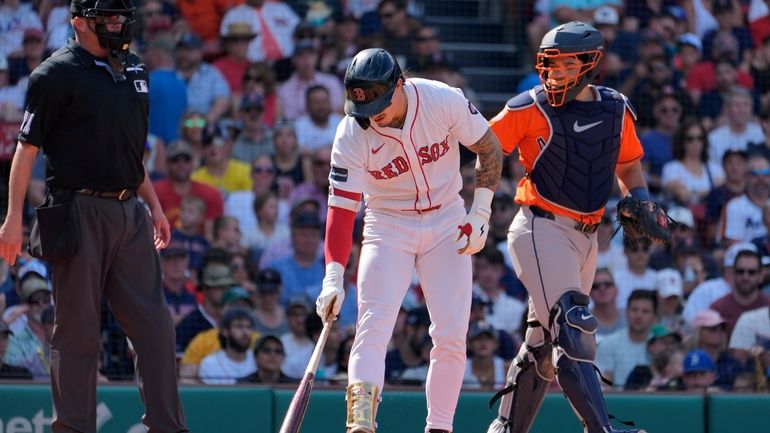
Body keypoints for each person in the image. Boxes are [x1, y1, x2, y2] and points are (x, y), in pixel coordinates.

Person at [0, 1, 188, 431]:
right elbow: (25, 151)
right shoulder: (54, 74)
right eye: (109, 19)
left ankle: (167, 426)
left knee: (156, 328)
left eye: (123, 18)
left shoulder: (135, 69)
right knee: (77, 334)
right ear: (80, 23)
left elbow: (131, 151)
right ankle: (72, 427)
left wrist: (155, 205)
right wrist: (13, 219)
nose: (119, 26)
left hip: (130, 210)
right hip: (76, 209)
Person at [314, 48, 503, 433]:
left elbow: (489, 147)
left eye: (380, 103)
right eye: (364, 106)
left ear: (399, 84)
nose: (372, 114)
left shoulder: (440, 98)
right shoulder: (352, 132)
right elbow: (341, 209)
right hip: (387, 225)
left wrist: (480, 211)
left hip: (446, 217)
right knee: (372, 326)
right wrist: (333, 275)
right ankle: (360, 425)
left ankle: (439, 427)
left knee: (450, 335)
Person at [484, 22, 654, 433]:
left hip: (586, 237)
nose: (554, 72)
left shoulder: (615, 108)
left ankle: (507, 428)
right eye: (549, 64)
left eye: (564, 63)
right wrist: (475, 205)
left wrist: (641, 199)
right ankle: (601, 429)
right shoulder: (530, 106)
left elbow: (629, 166)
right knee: (574, 326)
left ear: (589, 63)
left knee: (543, 345)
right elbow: (484, 145)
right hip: (540, 229)